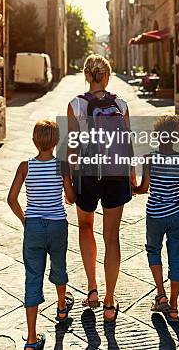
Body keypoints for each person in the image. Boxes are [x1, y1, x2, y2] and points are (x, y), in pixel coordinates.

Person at [67, 54, 135, 322]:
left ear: (86, 75)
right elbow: (127, 142)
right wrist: (131, 173)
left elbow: (71, 147)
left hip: (87, 173)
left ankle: (92, 290)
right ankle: (109, 301)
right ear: (107, 76)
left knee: (85, 227)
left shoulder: (76, 105)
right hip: (116, 172)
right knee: (112, 236)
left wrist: (69, 184)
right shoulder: (120, 103)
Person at [7, 119, 76, 350]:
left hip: (34, 227)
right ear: (56, 142)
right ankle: (61, 308)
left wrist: (24, 219)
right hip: (57, 225)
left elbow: (11, 199)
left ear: (34, 141)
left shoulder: (25, 166)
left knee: (33, 276)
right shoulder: (62, 165)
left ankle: (31, 339)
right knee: (59, 266)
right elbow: (71, 198)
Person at [133, 114, 179, 321]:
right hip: (176, 214)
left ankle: (161, 295)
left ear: (157, 136)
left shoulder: (150, 158)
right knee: (177, 258)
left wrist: (134, 189)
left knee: (154, 250)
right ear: (176, 137)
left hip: (155, 215)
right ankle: (174, 307)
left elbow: (144, 187)